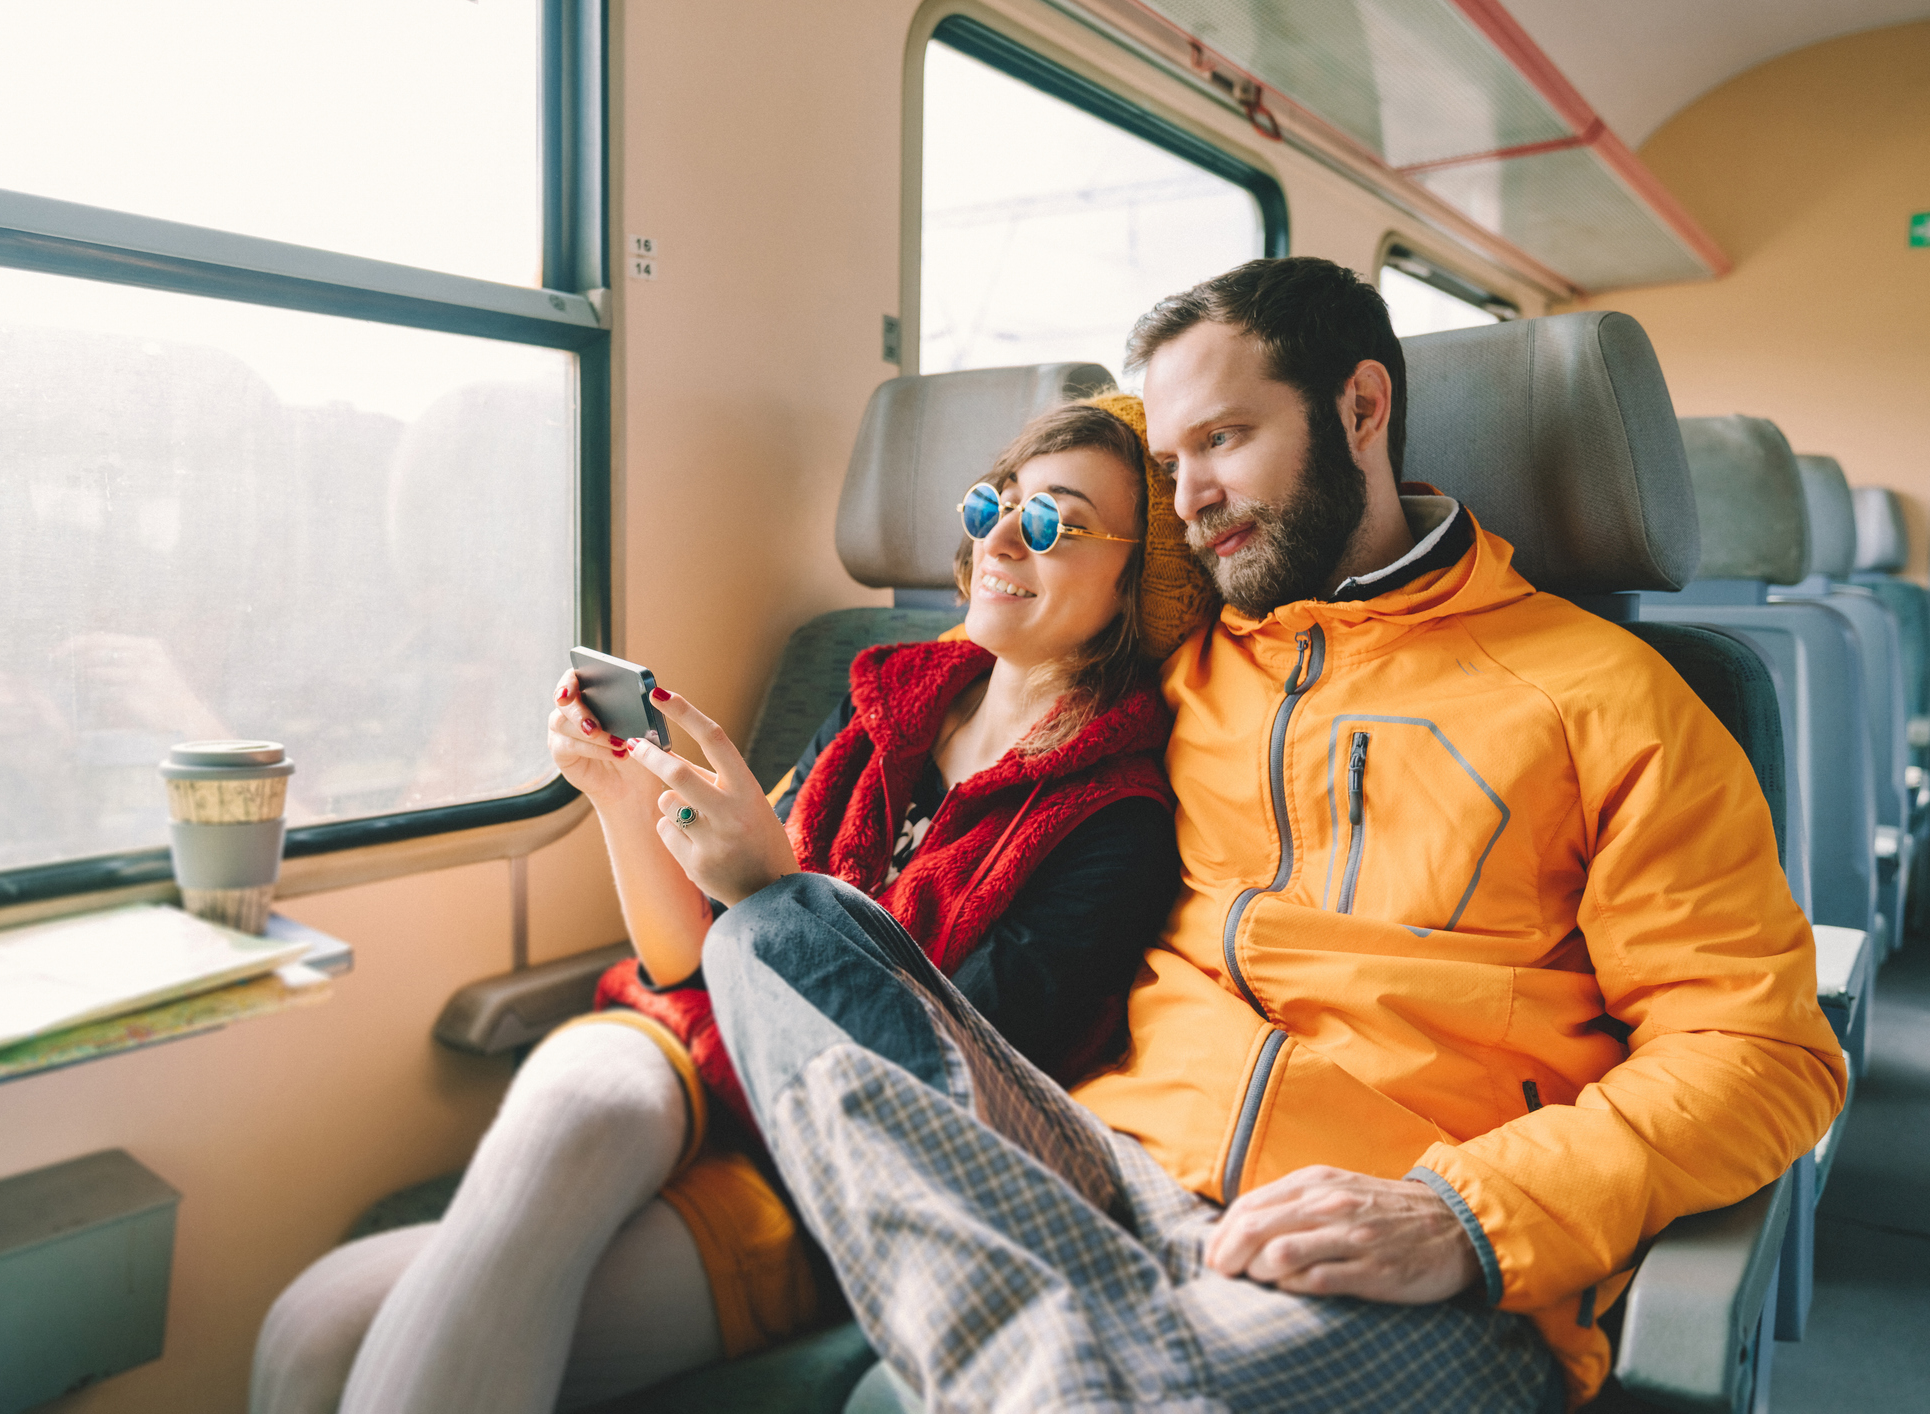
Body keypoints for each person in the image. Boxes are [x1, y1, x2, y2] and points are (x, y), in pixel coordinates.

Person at [691, 258, 1848, 1412]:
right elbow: (1002, 650)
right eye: (1169, 461)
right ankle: (1071, 1366)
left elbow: (1762, 1054)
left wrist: (1466, 1214)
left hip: (1391, 1237)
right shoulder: (1178, 667)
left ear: (1358, 407)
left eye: (1224, 439)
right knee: (780, 932)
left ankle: (1068, 1372)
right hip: (1101, 1159)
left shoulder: (1611, 698)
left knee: (1115, 1385)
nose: (1186, 495)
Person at [249, 393, 1215, 1414]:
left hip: (825, 1167)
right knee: (323, 1303)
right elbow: (688, 965)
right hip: (687, 1054)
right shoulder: (881, 696)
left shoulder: (1116, 822)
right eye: (992, 506)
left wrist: (768, 892)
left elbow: (935, 1096)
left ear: (1133, 584)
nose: (999, 541)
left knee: (321, 1340)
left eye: (1052, 522)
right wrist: (623, 803)